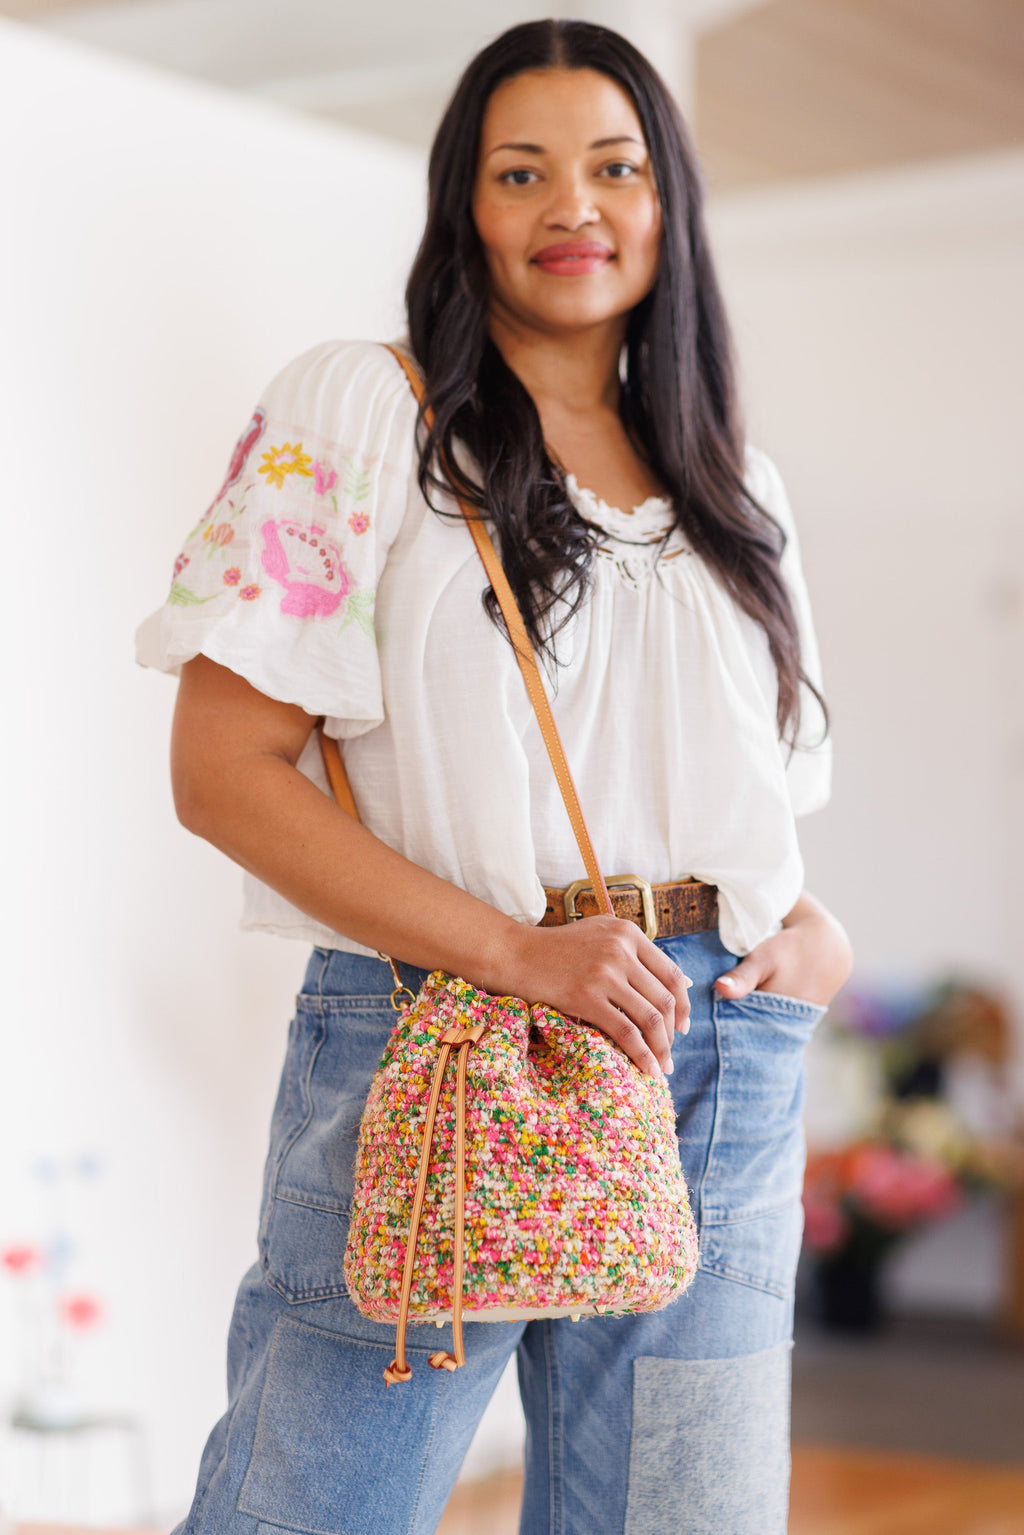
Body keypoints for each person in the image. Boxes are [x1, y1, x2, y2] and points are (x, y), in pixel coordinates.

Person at [136, 18, 853, 1535]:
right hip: (450, 1031)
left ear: (671, 203)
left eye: (613, 167)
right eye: (520, 171)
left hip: (717, 1050)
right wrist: (522, 954)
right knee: (309, 1511)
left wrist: (812, 933)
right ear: (466, 203)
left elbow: (744, 795)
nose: (571, 207)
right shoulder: (366, 412)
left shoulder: (740, 486)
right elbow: (226, 772)